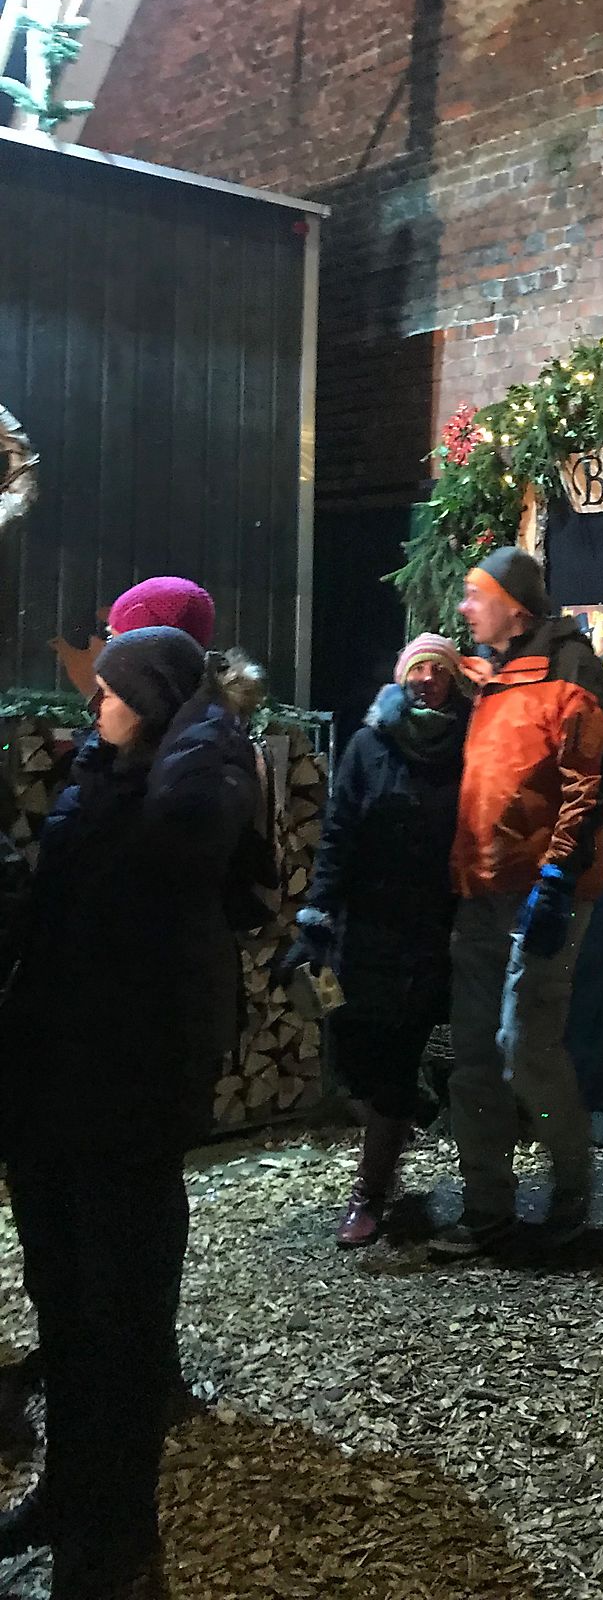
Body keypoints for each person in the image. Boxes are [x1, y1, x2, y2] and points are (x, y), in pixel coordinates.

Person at [0, 628, 257, 1599]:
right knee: (66, 1314)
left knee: (119, 1331)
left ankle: (116, 1542)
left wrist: (200, 728)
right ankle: (69, 1493)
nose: (91, 705)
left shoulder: (183, 796)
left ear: (150, 704)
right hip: (54, 1096)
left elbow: (186, 846)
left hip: (124, 1104)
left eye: (108, 692)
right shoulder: (100, 779)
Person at [429, 547, 603, 1262]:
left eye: (474, 594)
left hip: (541, 894)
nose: (463, 608)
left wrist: (558, 877)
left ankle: (570, 1197)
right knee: (474, 1055)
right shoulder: (498, 675)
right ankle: (487, 1210)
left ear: (513, 604)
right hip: (481, 890)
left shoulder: (569, 672)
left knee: (525, 1050)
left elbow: (590, 782)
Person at [287, 634, 470, 1246]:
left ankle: (370, 1192)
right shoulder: (370, 743)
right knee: (353, 1046)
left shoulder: (470, 745)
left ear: (453, 680)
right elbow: (339, 830)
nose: (427, 679)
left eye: (438, 669)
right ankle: (395, 1122)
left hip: (428, 928)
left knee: (396, 1053)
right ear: (401, 677)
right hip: (364, 924)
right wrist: (318, 910)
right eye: (418, 668)